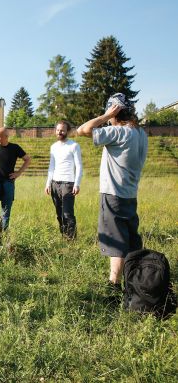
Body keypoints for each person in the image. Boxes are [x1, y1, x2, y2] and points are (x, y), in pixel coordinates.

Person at [77, 93, 147, 295]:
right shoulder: (140, 133)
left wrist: (106, 116)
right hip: (130, 194)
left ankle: (114, 285)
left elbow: (84, 129)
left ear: (115, 111)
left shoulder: (118, 131)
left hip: (113, 194)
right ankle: (134, 281)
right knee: (130, 239)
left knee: (116, 241)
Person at [45, 121, 83, 239]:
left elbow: (79, 166)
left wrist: (76, 184)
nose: (59, 132)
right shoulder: (53, 147)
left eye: (62, 130)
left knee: (67, 213)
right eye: (58, 130)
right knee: (59, 214)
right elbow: (51, 166)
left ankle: (71, 239)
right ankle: (64, 236)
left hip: (68, 184)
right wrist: (48, 184)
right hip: (55, 183)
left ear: (67, 131)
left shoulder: (74, 145)